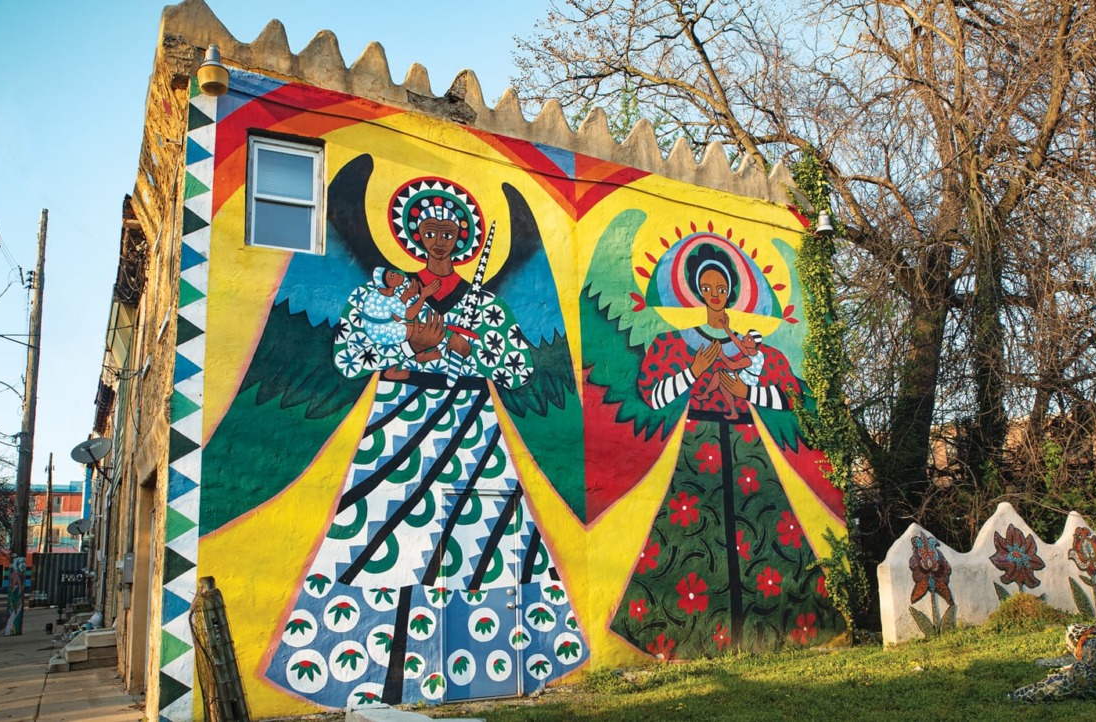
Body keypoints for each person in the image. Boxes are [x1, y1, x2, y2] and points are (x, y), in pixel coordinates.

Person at [265, 179, 585, 707]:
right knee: (380, 544)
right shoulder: (388, 292)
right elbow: (349, 354)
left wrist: (468, 345)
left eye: (449, 232)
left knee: (485, 541)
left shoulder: (481, 303)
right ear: (414, 235)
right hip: (400, 425)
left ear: (462, 239)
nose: (439, 240)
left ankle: (494, 664)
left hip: (470, 427)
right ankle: (371, 677)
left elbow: (518, 366)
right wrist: (409, 342)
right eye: (430, 230)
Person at [608, 242, 839, 657]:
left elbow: (787, 397)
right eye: (707, 287)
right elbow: (657, 397)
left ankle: (782, 631)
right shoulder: (676, 343)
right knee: (689, 541)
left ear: (731, 292)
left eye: (722, 287)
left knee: (768, 534)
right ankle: (677, 637)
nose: (715, 294)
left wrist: (746, 389)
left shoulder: (753, 346)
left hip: (747, 445)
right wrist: (694, 371)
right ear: (695, 290)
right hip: (698, 445)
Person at [355, 266, 442, 380]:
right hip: (383, 332)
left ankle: (419, 355)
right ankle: (392, 371)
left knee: (421, 327)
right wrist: (423, 296)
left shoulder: (380, 293)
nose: (396, 274)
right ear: (386, 284)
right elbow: (409, 315)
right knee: (421, 333)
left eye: (393, 273)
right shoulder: (388, 298)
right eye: (391, 276)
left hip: (379, 328)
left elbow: (396, 317)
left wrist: (405, 296)